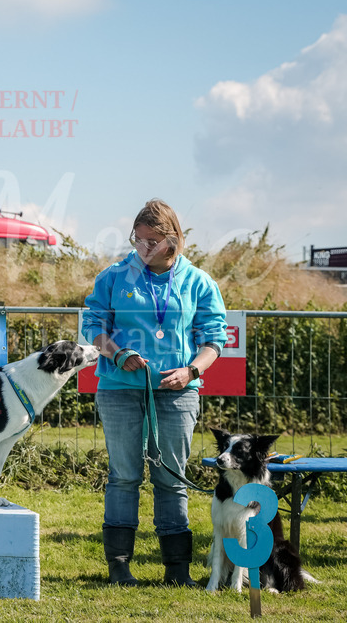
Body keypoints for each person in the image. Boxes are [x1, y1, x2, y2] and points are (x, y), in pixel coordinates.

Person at [82, 198, 227, 586]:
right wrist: (117, 353)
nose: (143, 248)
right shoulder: (114, 277)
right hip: (119, 389)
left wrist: (192, 370)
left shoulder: (199, 282)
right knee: (124, 476)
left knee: (171, 479)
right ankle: (119, 567)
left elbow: (214, 340)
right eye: (138, 239)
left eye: (152, 241)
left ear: (172, 240)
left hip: (177, 394)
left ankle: (177, 571)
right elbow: (93, 326)